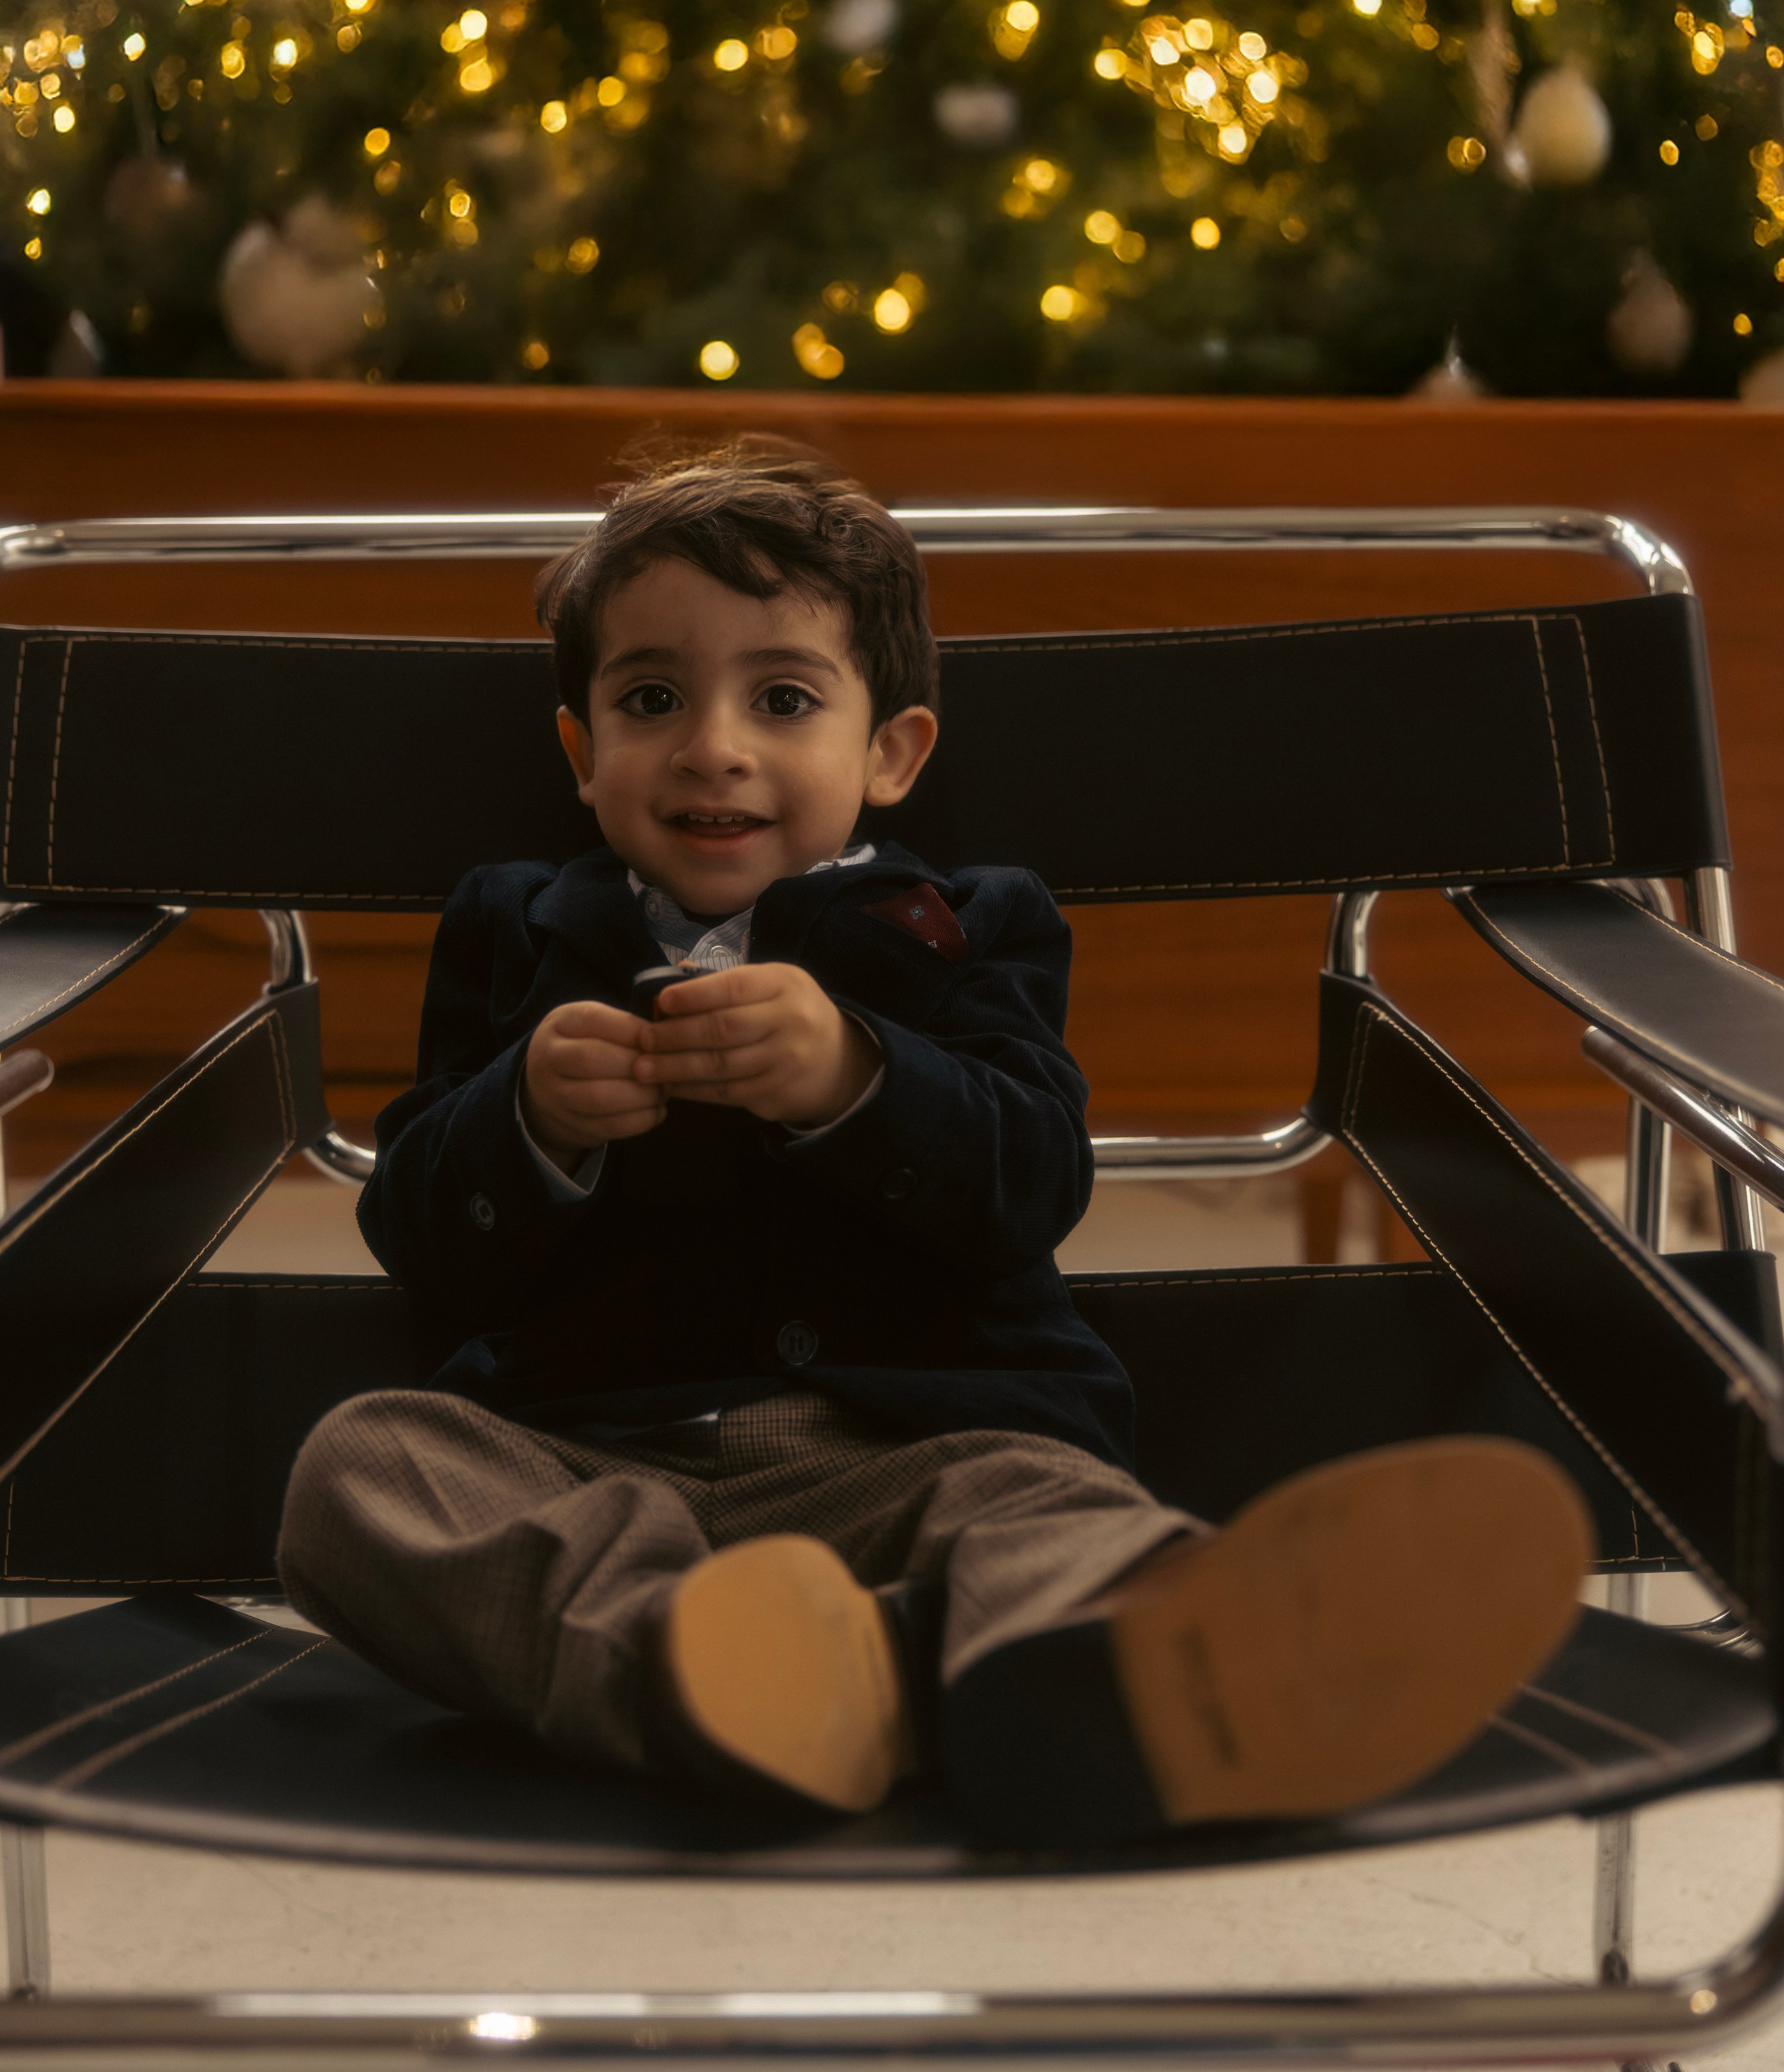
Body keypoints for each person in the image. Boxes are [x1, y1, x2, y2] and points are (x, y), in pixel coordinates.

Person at [277, 439, 1592, 1848]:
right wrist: (524, 1122)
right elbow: (416, 1234)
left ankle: (1107, 1666)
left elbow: (1033, 1176)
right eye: (650, 698)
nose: (712, 744)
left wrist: (858, 1078)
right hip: (596, 1469)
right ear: (582, 753)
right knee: (361, 1472)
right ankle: (731, 1673)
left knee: (1045, 1509)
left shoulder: (967, 926)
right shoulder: (514, 927)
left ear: (889, 751)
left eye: (783, 698)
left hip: (927, 1444)